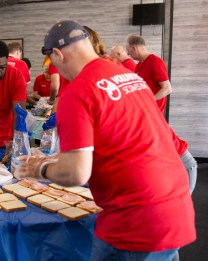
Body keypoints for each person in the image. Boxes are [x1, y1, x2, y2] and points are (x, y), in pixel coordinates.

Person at [17, 20, 196, 260]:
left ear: (58, 54)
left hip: (135, 220)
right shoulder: (127, 76)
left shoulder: (77, 91)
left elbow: (76, 174)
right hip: (175, 203)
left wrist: (41, 167)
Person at [126, 34, 172, 113]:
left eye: (129, 53)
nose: (129, 56)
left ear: (134, 48)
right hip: (144, 110)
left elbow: (167, 89)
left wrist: (149, 101)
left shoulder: (155, 62)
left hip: (153, 111)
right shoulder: (139, 65)